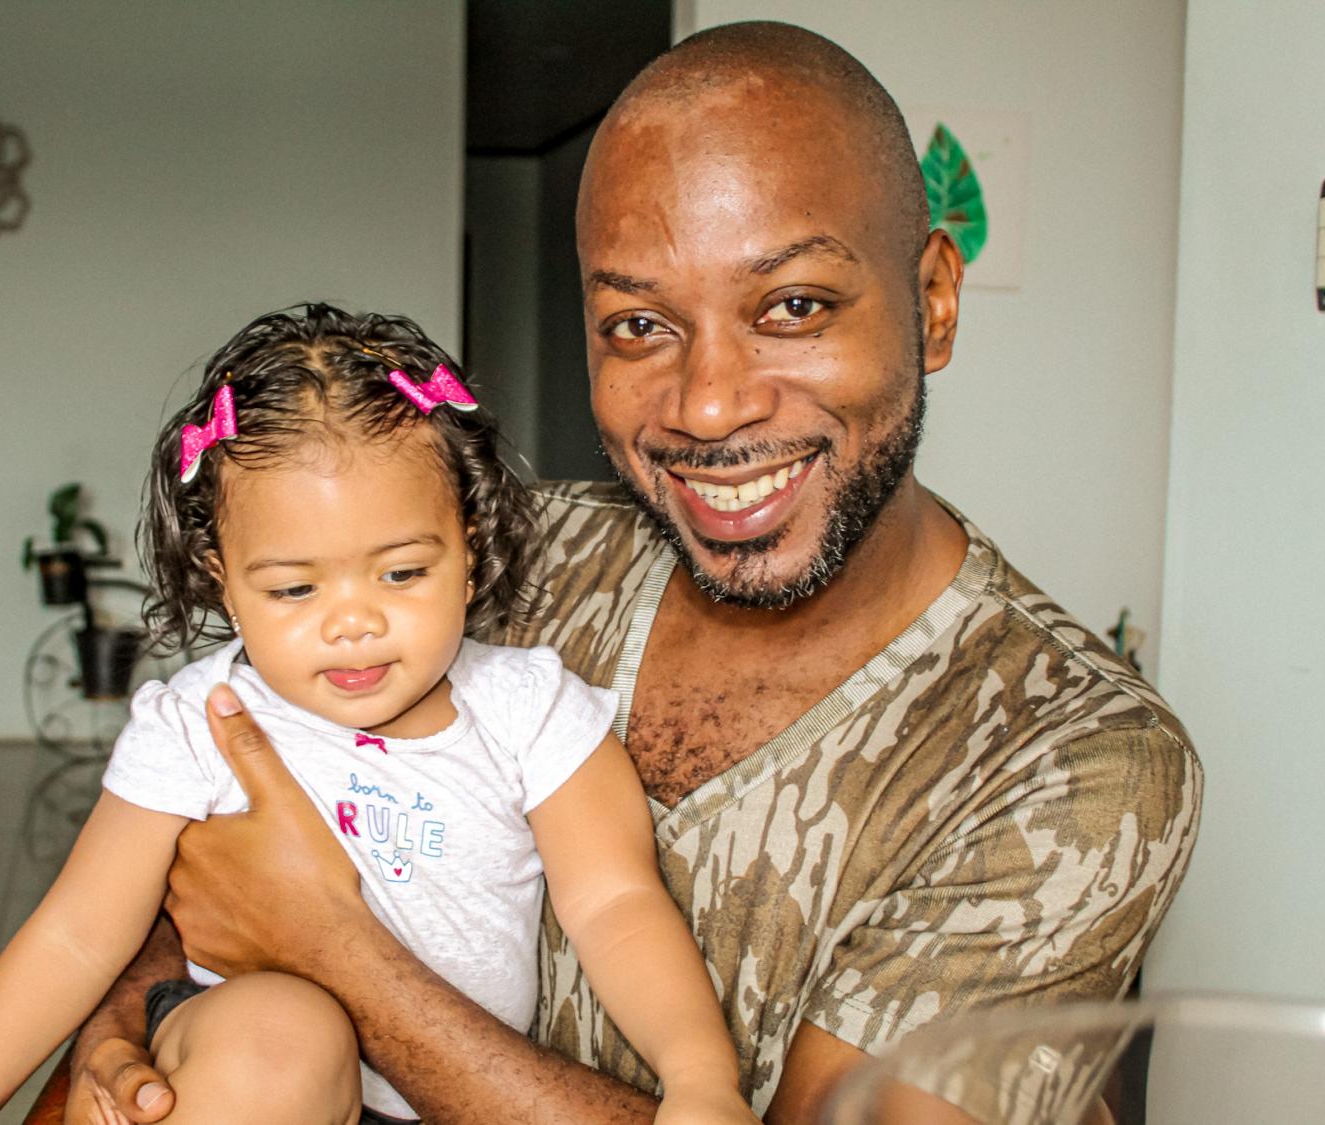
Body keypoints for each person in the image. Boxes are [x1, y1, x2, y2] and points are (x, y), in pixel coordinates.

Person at [65, 21, 1202, 1125]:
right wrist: (128, 1015)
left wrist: (342, 961)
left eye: (792, 306)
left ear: (932, 301)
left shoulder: (1069, 760)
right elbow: (199, 826)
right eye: (638, 325)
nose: (709, 405)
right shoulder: (495, 559)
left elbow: (288, 912)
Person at [0, 305, 756, 1125]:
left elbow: (615, 903)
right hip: (244, 1080)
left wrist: (699, 1078)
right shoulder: (196, 721)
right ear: (223, 579)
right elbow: (78, 932)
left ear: (468, 552)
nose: (352, 621)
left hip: (445, 1093)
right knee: (283, 1033)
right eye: (294, 588)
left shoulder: (528, 710)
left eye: (400, 573)